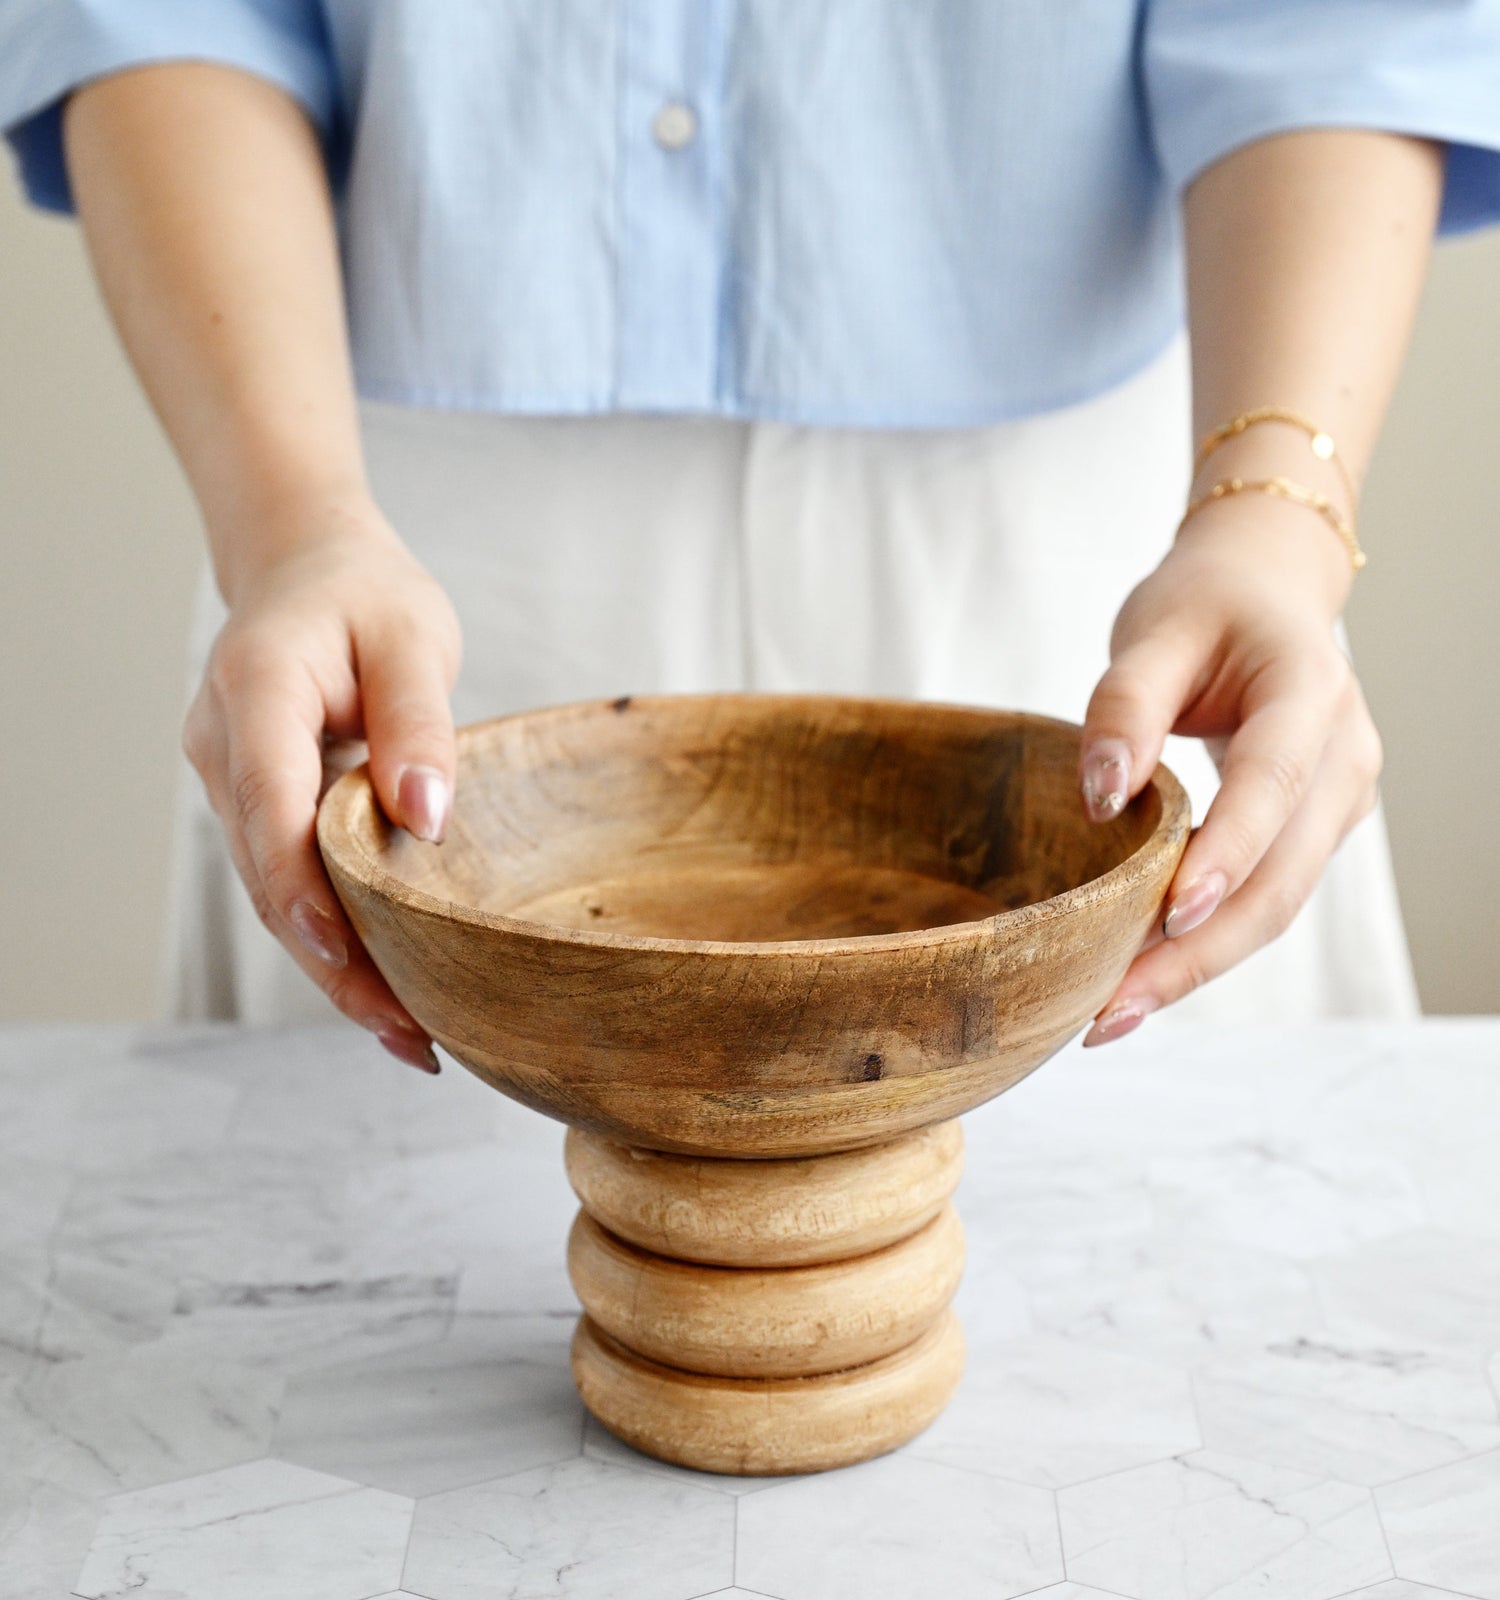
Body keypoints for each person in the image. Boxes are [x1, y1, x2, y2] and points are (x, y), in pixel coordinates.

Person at [5, 3, 1498, 1075]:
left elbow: (1332, 26)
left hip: (1100, 598)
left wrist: (1272, 526)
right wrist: (292, 526)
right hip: (391, 578)